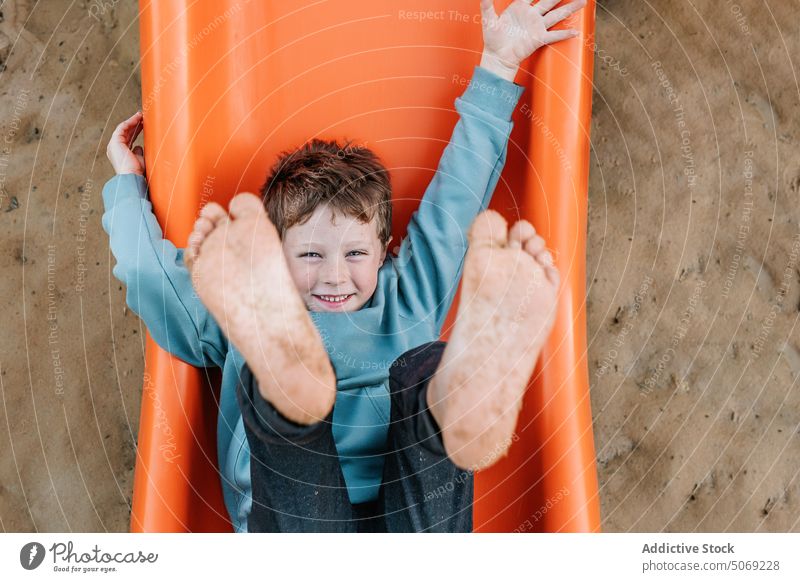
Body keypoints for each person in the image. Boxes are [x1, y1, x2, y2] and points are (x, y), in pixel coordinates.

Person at [102, 0, 585, 532]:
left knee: (412, 386)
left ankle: (445, 395)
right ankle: (374, 395)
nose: (335, 276)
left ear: (385, 251)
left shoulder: (381, 289)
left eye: (355, 254)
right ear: (275, 256)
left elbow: (152, 274)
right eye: (310, 255)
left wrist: (499, 63)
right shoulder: (252, 302)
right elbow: (459, 199)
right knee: (411, 378)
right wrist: (495, 68)